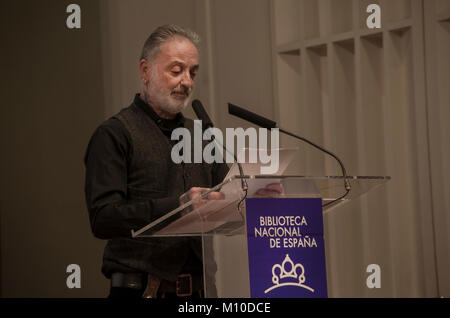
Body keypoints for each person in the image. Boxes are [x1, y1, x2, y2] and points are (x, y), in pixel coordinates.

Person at [84, 24, 228, 298]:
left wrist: (256, 194)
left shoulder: (202, 135)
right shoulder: (114, 134)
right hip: (142, 291)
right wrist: (178, 206)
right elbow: (103, 218)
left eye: (193, 72)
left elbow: (228, 194)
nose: (186, 81)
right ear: (145, 71)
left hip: (201, 292)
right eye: (176, 70)